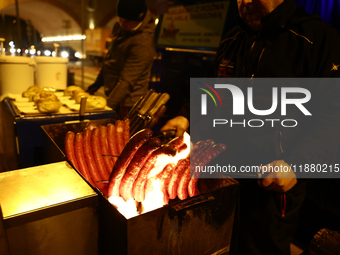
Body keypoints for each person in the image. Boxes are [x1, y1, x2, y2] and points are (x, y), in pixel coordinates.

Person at [161, 0, 340, 254]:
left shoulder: (316, 39)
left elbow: (332, 115)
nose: (247, 2)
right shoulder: (233, 38)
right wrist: (186, 117)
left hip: (270, 186)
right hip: (221, 175)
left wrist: (297, 163)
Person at [87, 0, 156, 119]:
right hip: (115, 100)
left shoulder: (142, 42)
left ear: (140, 17)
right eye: (120, 19)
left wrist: (106, 109)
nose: (122, 24)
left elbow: (126, 82)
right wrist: (96, 84)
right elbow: (110, 61)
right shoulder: (120, 29)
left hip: (130, 106)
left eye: (127, 21)